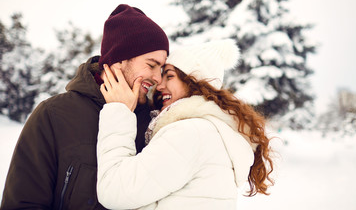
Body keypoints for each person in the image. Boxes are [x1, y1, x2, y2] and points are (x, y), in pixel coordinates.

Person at [0, 4, 169, 209]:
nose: (158, 78)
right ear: (118, 60)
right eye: (151, 65)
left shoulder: (155, 122)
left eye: (161, 68)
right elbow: (22, 204)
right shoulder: (53, 115)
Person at [97, 39, 274, 210]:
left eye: (170, 76)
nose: (159, 85)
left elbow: (114, 190)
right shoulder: (211, 131)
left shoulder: (190, 133)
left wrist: (118, 110)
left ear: (195, 82)